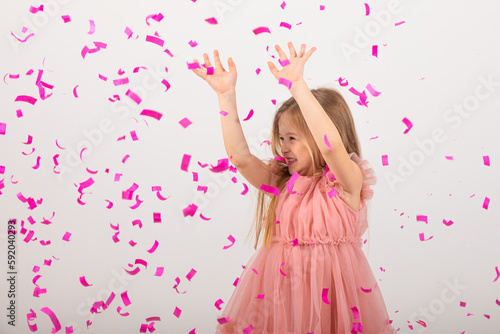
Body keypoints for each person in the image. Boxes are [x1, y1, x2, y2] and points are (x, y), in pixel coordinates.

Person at [191, 42, 397, 334]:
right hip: (280, 298)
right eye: (281, 137)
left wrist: (299, 87)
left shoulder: (348, 183)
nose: (283, 147)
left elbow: (332, 147)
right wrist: (226, 96)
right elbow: (241, 158)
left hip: (334, 301)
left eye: (293, 138)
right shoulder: (283, 181)